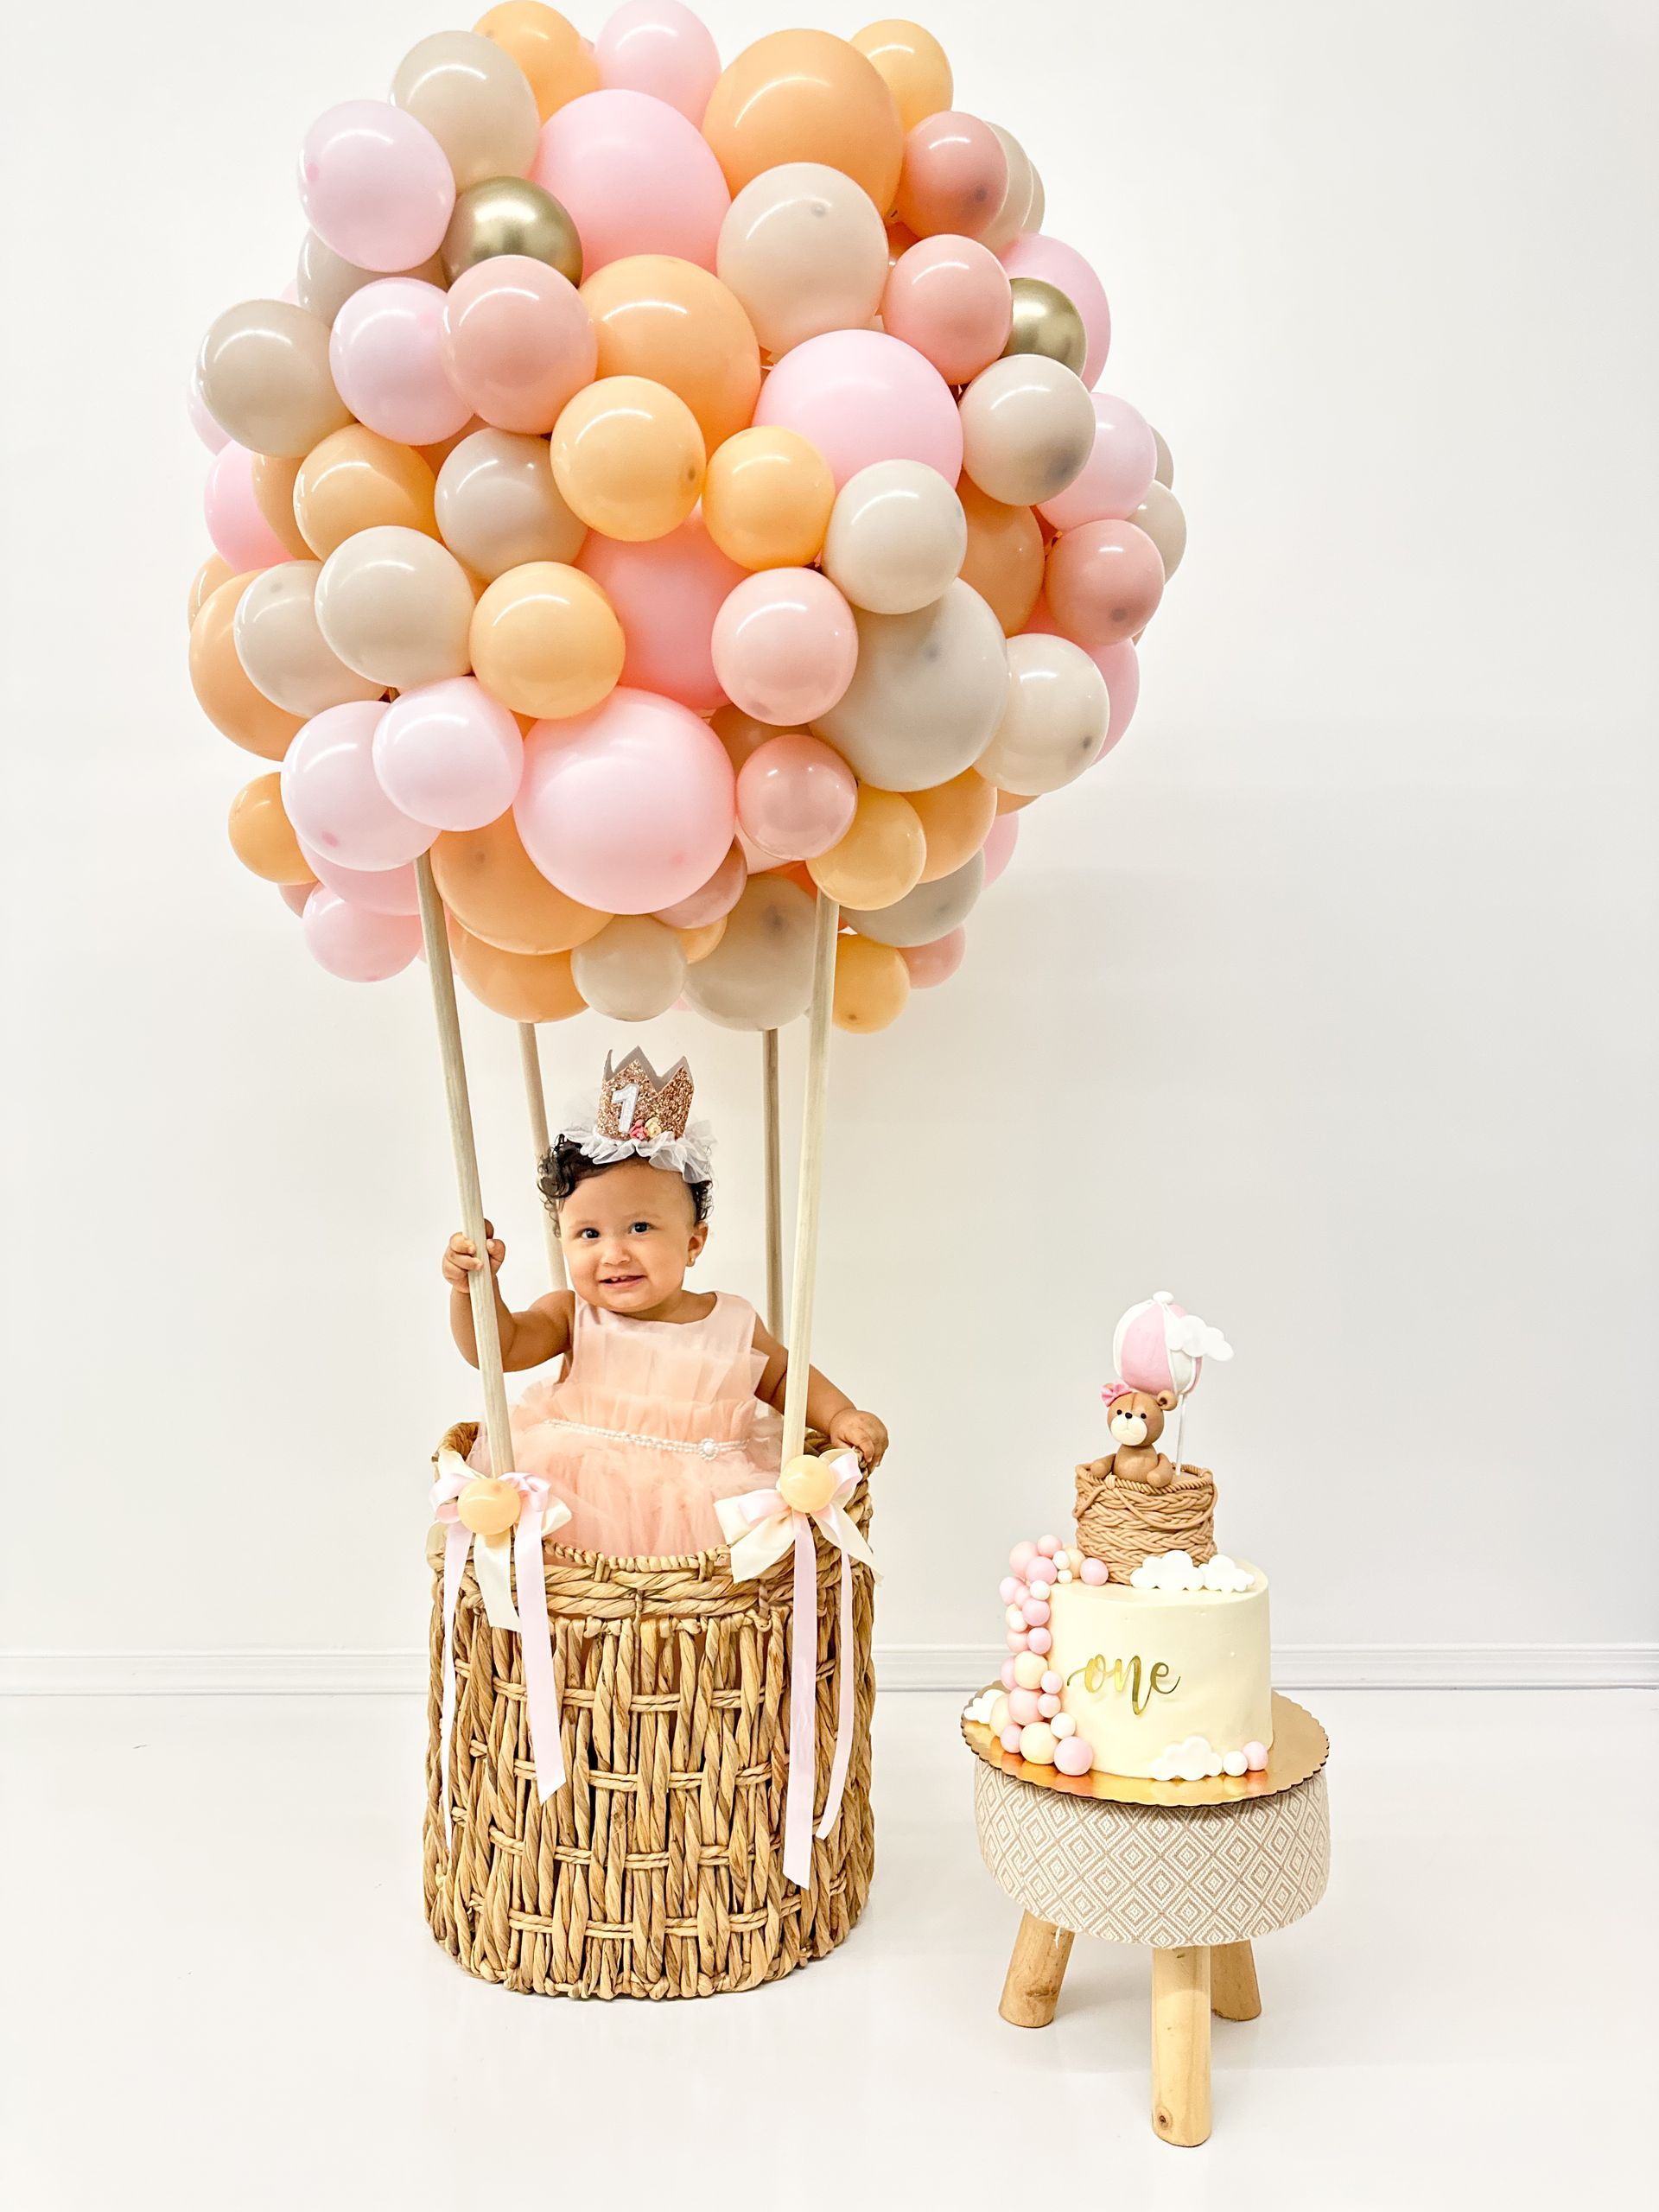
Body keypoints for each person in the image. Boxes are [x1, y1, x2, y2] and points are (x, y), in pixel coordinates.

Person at [443, 1048, 888, 1557]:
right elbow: (497, 1349)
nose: (614, 1253)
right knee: (576, 1586)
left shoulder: (733, 1321)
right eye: (588, 1233)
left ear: (694, 1243)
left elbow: (785, 1379)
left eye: (640, 1227)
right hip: (582, 1494)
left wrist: (839, 1416)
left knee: (705, 1598)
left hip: (704, 1504)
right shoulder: (570, 1314)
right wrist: (472, 1289)